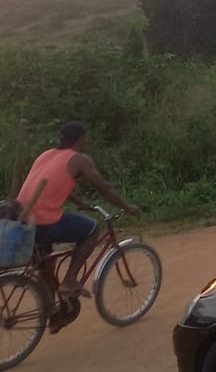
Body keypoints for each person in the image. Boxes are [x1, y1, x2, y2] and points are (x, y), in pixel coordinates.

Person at [15, 121, 140, 298]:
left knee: (45, 268)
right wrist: (126, 207)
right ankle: (70, 280)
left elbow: (50, 186)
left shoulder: (46, 155)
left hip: (23, 218)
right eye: (85, 140)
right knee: (91, 228)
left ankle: (52, 312)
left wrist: (79, 202)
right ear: (81, 140)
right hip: (44, 221)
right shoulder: (79, 159)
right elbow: (103, 186)